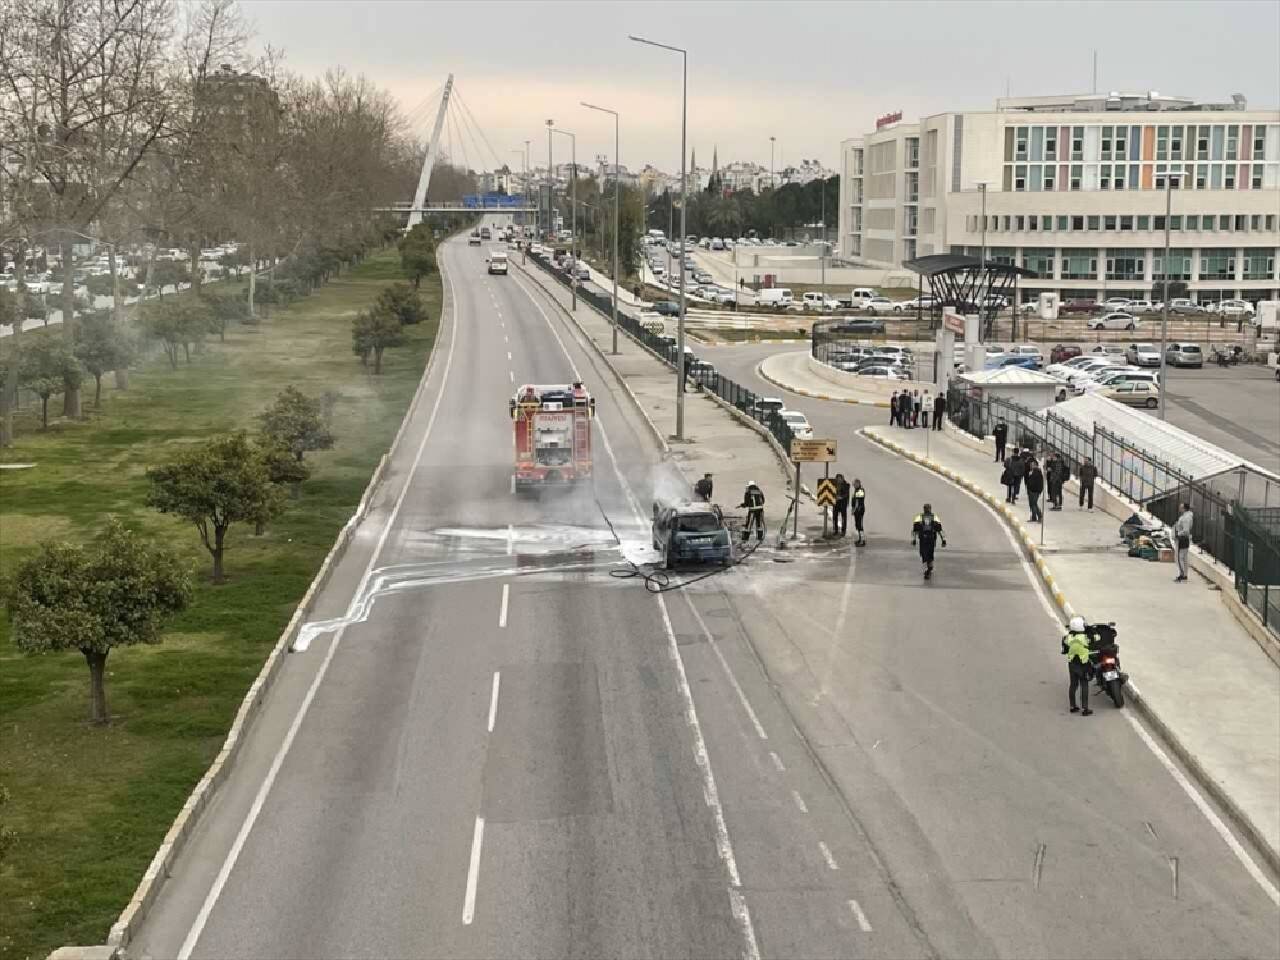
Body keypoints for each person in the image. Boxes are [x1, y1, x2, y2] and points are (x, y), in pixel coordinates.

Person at [1062, 615, 1094, 716]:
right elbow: (1095, 639)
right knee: (1084, 685)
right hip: (1083, 664)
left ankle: (1072, 706)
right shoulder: (1085, 638)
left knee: (1073, 685)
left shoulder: (1068, 638)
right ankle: (1085, 708)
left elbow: (1065, 649)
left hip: (1072, 664)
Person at [911, 502, 947, 578]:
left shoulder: (919, 517)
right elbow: (940, 530)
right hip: (931, 539)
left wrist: (914, 539)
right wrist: (943, 540)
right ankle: (929, 567)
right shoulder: (935, 517)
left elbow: (915, 530)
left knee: (924, 554)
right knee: (929, 554)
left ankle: (927, 569)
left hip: (923, 539)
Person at [1173, 501, 1194, 582]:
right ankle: (1184, 574)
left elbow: (1186, 530)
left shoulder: (1185, 518)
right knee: (1184, 558)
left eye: (1181, 507)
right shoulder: (1188, 516)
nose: (1179, 508)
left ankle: (1182, 574)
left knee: (1179, 557)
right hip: (1185, 538)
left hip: (1182, 538)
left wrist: (1178, 534)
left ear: (1184, 508)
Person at [1025, 458, 1045, 522]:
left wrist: (1039, 490)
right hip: (1031, 490)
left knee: (1034, 503)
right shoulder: (1032, 472)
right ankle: (1034, 517)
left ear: (1036, 465)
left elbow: (1034, 482)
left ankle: (1040, 515)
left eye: (1032, 465)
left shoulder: (1037, 472)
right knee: (1031, 504)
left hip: (1034, 490)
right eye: (1031, 465)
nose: (1031, 466)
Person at [851, 479, 866, 546]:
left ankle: (862, 540)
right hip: (857, 510)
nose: (854, 485)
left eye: (855, 484)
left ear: (859, 483)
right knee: (857, 525)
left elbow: (857, 502)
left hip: (859, 510)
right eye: (854, 484)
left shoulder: (860, 490)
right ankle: (860, 539)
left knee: (860, 526)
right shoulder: (856, 490)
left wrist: (854, 510)